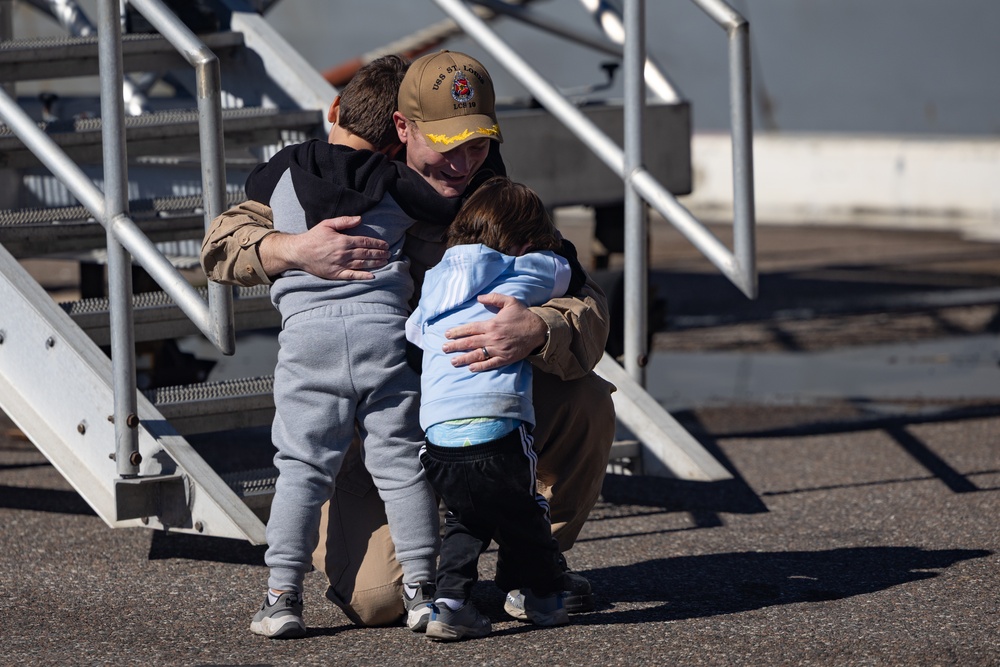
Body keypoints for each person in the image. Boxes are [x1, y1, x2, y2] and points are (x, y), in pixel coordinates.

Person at [201, 50, 617, 628]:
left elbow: (588, 302)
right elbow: (221, 243)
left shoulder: (495, 197)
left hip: (474, 398)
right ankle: (418, 556)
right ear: (403, 129)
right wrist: (293, 249)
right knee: (378, 603)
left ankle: (532, 568)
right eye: (445, 143)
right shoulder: (335, 180)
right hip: (376, 413)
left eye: (477, 143)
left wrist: (538, 327)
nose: (462, 162)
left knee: (586, 401)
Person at [246, 54, 460, 639]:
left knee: (300, 470)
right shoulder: (394, 180)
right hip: (380, 331)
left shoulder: (284, 171)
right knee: (401, 466)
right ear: (397, 133)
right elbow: (445, 211)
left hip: (307, 339)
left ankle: (281, 597)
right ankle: (423, 592)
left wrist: (290, 243)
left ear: (336, 110)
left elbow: (247, 201)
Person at [407, 176, 584, 641]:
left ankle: (450, 605)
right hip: (498, 423)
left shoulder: (436, 278)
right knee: (525, 514)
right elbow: (569, 272)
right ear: (525, 239)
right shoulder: (522, 269)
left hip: (439, 433)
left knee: (464, 520)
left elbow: (414, 332)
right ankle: (545, 596)